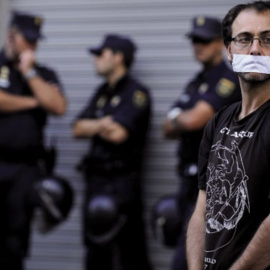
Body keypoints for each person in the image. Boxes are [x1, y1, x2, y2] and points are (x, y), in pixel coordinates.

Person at [186, 1, 270, 269]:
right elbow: (202, 209)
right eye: (244, 39)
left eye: (268, 39)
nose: (256, 49)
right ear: (230, 51)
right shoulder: (219, 120)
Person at [162, 16, 241, 270]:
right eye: (195, 40)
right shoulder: (195, 82)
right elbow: (166, 128)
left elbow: (194, 120)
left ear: (221, 42)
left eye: (204, 40)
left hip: (215, 185)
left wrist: (179, 118)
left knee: (188, 260)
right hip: (188, 180)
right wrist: (179, 120)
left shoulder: (228, 80)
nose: (198, 45)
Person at [73, 34, 153, 270]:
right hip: (96, 180)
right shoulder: (102, 93)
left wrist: (94, 125)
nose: (95, 59)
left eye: (101, 54)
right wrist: (103, 124)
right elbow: (77, 128)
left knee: (130, 253)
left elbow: (119, 134)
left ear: (118, 58)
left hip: (122, 185)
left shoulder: (136, 93)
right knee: (95, 252)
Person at [0, 10, 66, 270]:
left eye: (35, 41)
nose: (32, 45)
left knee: (15, 242)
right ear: (11, 36)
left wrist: (29, 73)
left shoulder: (43, 73)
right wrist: (34, 101)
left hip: (25, 170)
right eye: (27, 39)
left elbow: (58, 106)